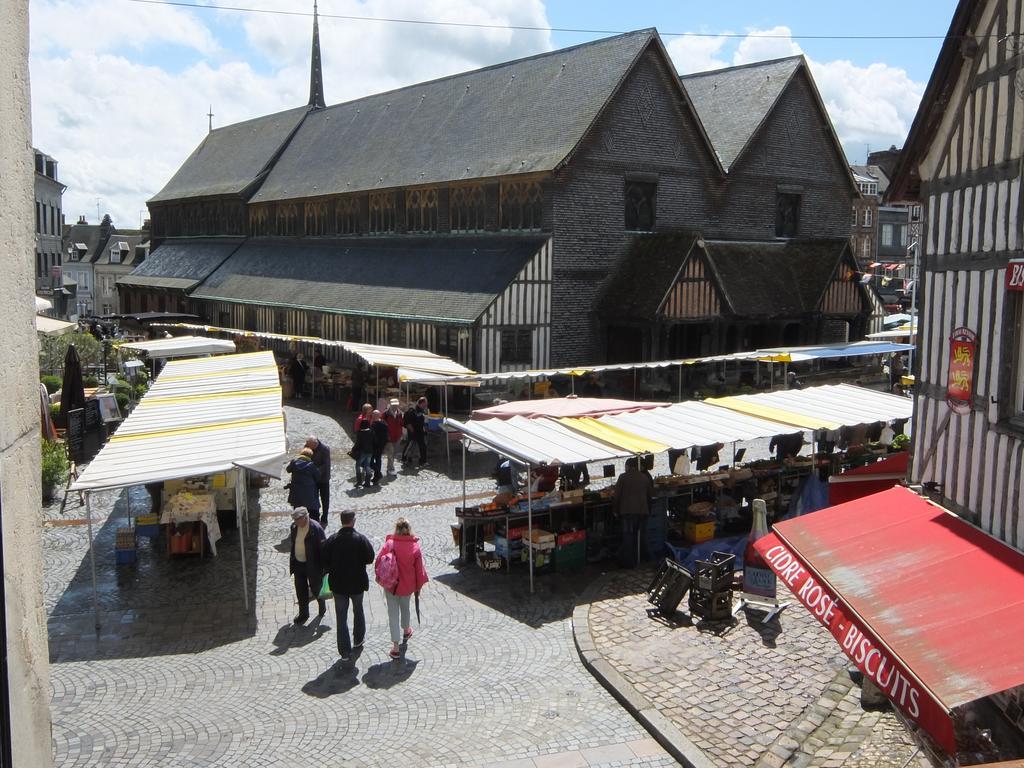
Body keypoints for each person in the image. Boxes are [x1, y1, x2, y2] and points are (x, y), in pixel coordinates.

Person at [323, 510, 374, 661]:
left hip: (339, 585)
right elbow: (370, 557)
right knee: (358, 610)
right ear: (353, 521)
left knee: (341, 617)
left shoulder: (332, 540)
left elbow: (324, 560)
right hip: (357, 583)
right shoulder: (360, 539)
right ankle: (358, 639)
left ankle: (344, 651)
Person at [378, 517, 429, 659]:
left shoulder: (389, 544)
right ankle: (406, 629)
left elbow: (378, 562)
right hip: (407, 586)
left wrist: (381, 579)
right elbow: (420, 570)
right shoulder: (414, 547)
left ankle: (395, 647)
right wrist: (419, 586)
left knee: (392, 614)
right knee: (405, 607)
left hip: (391, 585)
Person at [611, 457, 653, 568]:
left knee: (628, 536)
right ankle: (644, 557)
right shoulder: (644, 477)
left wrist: (615, 510)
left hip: (628, 512)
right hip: (642, 511)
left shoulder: (623, 477)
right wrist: (648, 510)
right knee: (641, 535)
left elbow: (617, 496)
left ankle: (629, 562)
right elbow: (649, 496)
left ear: (628, 466)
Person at [288, 508, 326, 624]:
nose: (296, 522)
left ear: (305, 517)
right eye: (294, 519)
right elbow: (294, 543)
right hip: (298, 563)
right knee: (300, 589)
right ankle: (304, 613)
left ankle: (322, 606)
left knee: (316, 588)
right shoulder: (294, 528)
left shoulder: (316, 529)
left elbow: (323, 549)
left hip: (313, 564)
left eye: (298, 519)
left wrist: (324, 567)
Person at [286, 447, 321, 521]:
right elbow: (318, 477)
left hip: (296, 492)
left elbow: (288, 470)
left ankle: (298, 524)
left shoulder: (294, 462)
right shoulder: (311, 465)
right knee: (313, 512)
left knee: (297, 511)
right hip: (309, 493)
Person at [305, 436, 331, 526]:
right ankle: (315, 516)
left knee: (325, 499)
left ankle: (325, 517)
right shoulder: (308, 446)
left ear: (315, 444)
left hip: (323, 478)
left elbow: (325, 465)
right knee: (313, 498)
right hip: (313, 479)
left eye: (309, 446)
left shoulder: (325, 449)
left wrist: (314, 470)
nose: (307, 447)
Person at [404, 397, 429, 466]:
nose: (426, 405)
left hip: (420, 431)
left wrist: (424, 429)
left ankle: (423, 461)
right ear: (421, 403)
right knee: (410, 445)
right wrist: (412, 431)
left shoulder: (422, 410)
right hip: (413, 432)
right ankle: (405, 458)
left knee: (422, 446)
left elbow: (421, 421)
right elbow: (407, 422)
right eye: (425, 403)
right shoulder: (413, 410)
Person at [382, 399, 404, 475]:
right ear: (390, 405)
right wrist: (386, 435)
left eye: (396, 405)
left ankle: (390, 467)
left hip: (397, 436)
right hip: (389, 437)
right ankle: (390, 468)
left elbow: (401, 424)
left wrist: (401, 434)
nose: (395, 406)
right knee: (390, 453)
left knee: (395, 452)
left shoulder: (399, 413)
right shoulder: (385, 414)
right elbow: (383, 425)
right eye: (393, 405)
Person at [353, 418, 374, 488]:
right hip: (370, 452)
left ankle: (359, 481)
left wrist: (353, 449)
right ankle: (367, 482)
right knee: (367, 466)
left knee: (358, 466)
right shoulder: (371, 432)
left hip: (362, 452)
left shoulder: (360, 433)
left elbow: (358, 444)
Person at [369, 410, 389, 484]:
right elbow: (386, 436)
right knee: (378, 460)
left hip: (375, 446)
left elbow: (372, 436)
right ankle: (377, 476)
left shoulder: (374, 424)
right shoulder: (384, 423)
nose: (373, 416)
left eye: (373, 415)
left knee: (371, 461)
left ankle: (378, 474)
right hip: (380, 445)